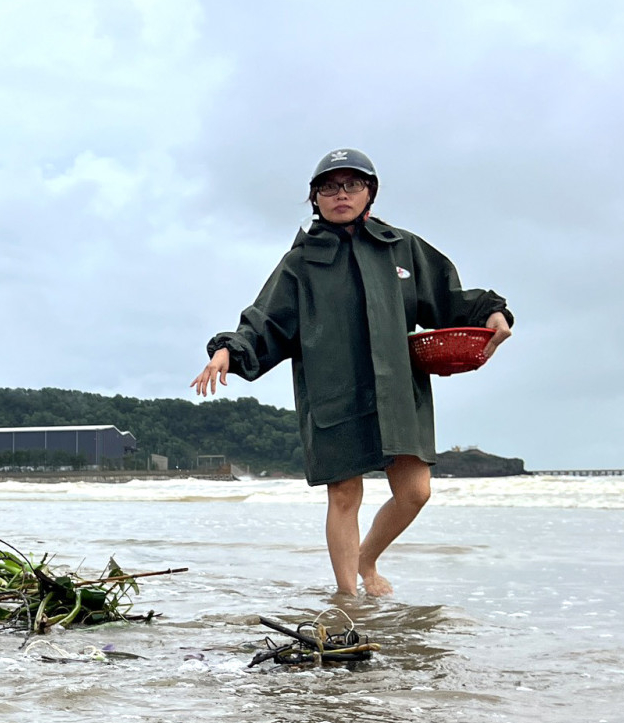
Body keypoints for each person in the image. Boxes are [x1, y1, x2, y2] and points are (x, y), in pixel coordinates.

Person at [191, 149, 512, 597]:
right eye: (329, 187)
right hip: (332, 392)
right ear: (315, 198)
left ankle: (367, 559)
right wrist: (228, 349)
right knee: (344, 495)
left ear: (370, 193)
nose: (341, 194)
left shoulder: (401, 247)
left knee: (416, 492)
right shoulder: (300, 263)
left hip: (398, 389)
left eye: (352, 185)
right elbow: (267, 321)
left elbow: (448, 295)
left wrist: (491, 311)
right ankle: (347, 598)